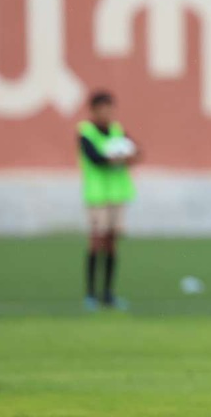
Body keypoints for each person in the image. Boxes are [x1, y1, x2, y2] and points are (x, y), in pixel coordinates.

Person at [78, 90, 140, 311]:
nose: (107, 113)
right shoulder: (85, 132)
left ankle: (108, 294)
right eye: (103, 108)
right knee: (96, 241)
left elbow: (137, 152)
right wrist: (115, 158)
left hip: (117, 195)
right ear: (93, 110)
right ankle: (91, 294)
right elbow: (94, 158)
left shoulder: (117, 131)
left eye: (110, 108)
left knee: (112, 244)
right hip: (97, 196)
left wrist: (131, 156)